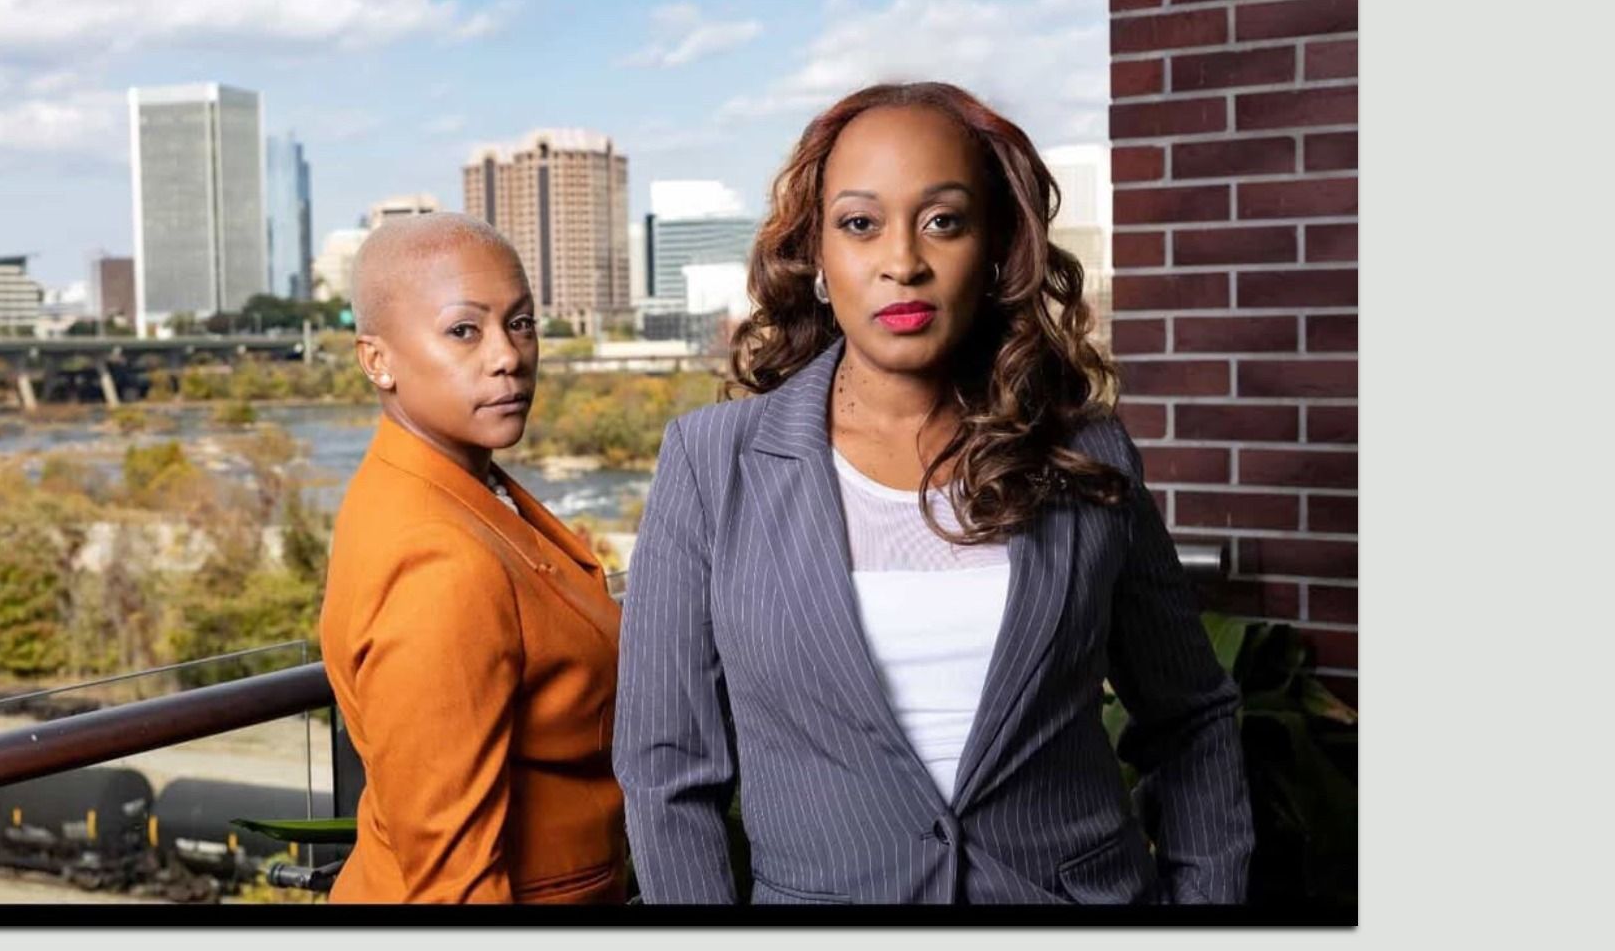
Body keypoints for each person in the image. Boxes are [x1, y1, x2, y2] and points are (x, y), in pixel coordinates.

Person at [614, 82, 1252, 905]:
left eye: (943, 220)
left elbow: (1192, 717)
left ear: (995, 252)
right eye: (859, 223)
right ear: (816, 255)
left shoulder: (1087, 454)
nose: (903, 261)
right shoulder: (711, 466)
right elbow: (668, 771)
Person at [319, 213, 627, 904]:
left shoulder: (451, 486)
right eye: (465, 330)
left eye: (520, 323)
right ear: (378, 360)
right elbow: (453, 884)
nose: (507, 356)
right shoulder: (440, 564)